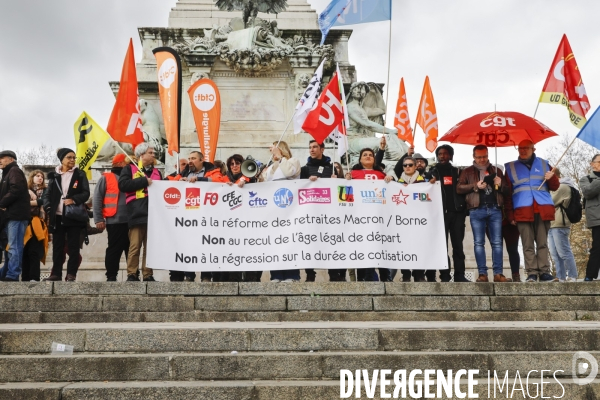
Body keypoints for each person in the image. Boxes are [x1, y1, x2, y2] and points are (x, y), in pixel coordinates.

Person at [504, 139, 559, 282]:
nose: (523, 150)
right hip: (522, 211)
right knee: (527, 244)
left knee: (542, 243)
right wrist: (510, 215)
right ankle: (532, 273)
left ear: (533, 149)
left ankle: (545, 272)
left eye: (526, 148)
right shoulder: (511, 168)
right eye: (520, 148)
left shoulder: (544, 164)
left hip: (542, 209)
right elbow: (507, 195)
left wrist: (552, 178)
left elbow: (554, 186)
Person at [457, 145, 511, 283]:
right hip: (476, 209)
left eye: (484, 156)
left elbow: (506, 191)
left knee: (497, 242)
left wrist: (500, 183)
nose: (482, 159)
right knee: (478, 243)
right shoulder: (467, 171)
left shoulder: (496, 170)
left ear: (488, 155)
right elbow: (459, 188)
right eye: (479, 157)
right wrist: (475, 186)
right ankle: (482, 274)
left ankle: (498, 273)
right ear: (474, 157)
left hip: (494, 208)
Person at [172, 151, 227, 282]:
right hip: (189, 216)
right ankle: (189, 275)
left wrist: (201, 180)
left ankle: (206, 275)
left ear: (202, 160)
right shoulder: (184, 173)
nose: (190, 161)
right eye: (189, 158)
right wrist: (180, 181)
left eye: (193, 158)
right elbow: (170, 184)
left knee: (206, 245)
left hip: (207, 216)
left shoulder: (212, 171)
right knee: (189, 246)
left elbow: (221, 181)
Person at [345, 143, 395, 282]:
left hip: (379, 217)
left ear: (374, 159)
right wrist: (346, 182)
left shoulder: (381, 174)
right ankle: (364, 278)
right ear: (360, 160)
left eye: (370, 155)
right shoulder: (353, 174)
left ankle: (386, 277)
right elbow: (345, 195)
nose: (368, 157)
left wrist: (391, 179)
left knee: (381, 245)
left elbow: (391, 192)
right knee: (364, 247)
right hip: (360, 217)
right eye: (365, 155)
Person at [42, 148, 90, 282]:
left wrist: (73, 200)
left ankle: (71, 274)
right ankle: (56, 274)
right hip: (57, 217)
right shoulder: (54, 176)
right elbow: (47, 194)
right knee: (57, 247)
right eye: (69, 157)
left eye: (74, 157)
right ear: (62, 159)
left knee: (74, 247)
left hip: (73, 216)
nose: (72, 160)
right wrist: (48, 206)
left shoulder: (80, 174)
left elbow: (86, 193)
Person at [118, 143, 162, 282]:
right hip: (137, 213)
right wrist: (144, 181)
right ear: (141, 155)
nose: (154, 155)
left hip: (153, 215)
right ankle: (132, 273)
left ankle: (148, 274)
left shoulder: (157, 172)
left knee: (150, 248)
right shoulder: (129, 168)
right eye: (151, 153)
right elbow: (123, 185)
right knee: (135, 246)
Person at [260, 141, 301, 282]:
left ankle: (292, 274)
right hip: (273, 210)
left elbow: (290, 172)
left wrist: (280, 158)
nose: (271, 152)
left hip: (290, 209)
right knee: (275, 242)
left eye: (273, 149)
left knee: (289, 241)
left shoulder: (293, 161)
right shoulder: (271, 166)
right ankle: (276, 274)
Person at [300, 140, 341, 282]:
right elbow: (299, 188)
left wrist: (337, 181)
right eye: (310, 147)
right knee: (309, 243)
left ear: (322, 149)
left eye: (315, 147)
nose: (311, 150)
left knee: (331, 243)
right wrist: (307, 181)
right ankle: (310, 274)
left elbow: (340, 192)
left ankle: (333, 274)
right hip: (311, 214)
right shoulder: (305, 169)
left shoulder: (332, 168)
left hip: (329, 214)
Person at [428, 145, 469, 282]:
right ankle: (444, 276)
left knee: (458, 246)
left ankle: (460, 275)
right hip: (440, 215)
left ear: (451, 156)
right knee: (442, 246)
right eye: (439, 154)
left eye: (445, 154)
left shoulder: (458, 172)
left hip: (457, 213)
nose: (442, 156)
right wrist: (430, 180)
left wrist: (463, 210)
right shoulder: (432, 172)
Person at [93, 154, 130, 282]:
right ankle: (111, 276)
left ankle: (133, 275)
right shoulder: (106, 178)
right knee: (114, 249)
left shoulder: (132, 177)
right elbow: (97, 198)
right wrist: (98, 219)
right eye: (128, 162)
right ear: (120, 164)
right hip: (115, 220)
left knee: (131, 250)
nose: (130, 165)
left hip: (131, 220)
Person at [223, 153, 258, 282]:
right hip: (231, 223)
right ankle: (234, 278)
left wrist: (246, 179)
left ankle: (252, 279)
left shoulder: (250, 177)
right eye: (231, 164)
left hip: (249, 222)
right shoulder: (224, 179)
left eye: (237, 163)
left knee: (250, 250)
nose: (234, 166)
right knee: (233, 250)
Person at [0, 150, 30, 282]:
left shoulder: (14, 171)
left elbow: (16, 189)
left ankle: (13, 275)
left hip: (17, 215)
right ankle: (7, 273)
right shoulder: (7, 173)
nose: (0, 160)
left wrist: (2, 203)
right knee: (10, 247)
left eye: (2, 158)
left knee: (15, 246)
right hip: (10, 216)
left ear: (11, 159)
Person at [548, 168, 578, 282]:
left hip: (560, 223)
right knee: (555, 253)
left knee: (564, 251)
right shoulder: (555, 188)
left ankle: (572, 275)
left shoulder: (563, 186)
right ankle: (560, 277)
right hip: (552, 224)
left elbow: (551, 201)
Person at [22, 170, 49, 282]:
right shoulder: (24, 190)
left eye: (42, 176)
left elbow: (45, 201)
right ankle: (25, 278)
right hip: (25, 222)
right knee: (24, 251)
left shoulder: (46, 190)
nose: (40, 178)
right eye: (37, 176)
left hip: (38, 223)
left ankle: (34, 277)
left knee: (35, 251)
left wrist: (32, 202)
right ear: (32, 177)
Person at [580, 154, 600, 281]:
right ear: (592, 164)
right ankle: (590, 275)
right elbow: (587, 192)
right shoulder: (586, 179)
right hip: (597, 218)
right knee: (597, 246)